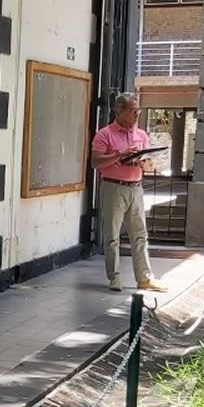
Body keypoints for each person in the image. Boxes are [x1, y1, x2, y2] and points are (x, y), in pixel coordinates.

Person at [90, 92, 168, 293]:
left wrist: (143, 161)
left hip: (136, 187)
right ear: (119, 111)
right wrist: (119, 155)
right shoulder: (104, 134)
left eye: (138, 110)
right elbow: (95, 162)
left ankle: (144, 278)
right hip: (113, 187)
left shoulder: (141, 135)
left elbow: (148, 164)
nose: (136, 114)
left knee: (140, 234)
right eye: (133, 111)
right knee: (112, 235)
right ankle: (114, 277)